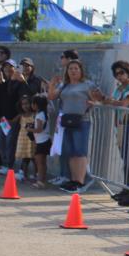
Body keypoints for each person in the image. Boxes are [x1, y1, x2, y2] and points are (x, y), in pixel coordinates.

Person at [47, 59, 99, 192]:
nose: (73, 71)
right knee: (71, 151)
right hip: (66, 120)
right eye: (70, 69)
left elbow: (97, 100)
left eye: (76, 68)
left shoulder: (88, 84)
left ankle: (80, 182)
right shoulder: (64, 85)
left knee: (80, 151)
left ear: (81, 70)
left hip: (82, 120)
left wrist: (93, 104)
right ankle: (73, 180)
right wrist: (52, 85)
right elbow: (51, 96)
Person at [100, 60, 129, 206]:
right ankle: (126, 188)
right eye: (116, 73)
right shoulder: (119, 88)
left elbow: (125, 104)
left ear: (128, 72)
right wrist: (107, 100)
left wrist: (108, 100)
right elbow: (113, 102)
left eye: (122, 72)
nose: (119, 76)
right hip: (119, 126)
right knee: (125, 159)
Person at [48, 50, 79, 186]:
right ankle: (63, 175)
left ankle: (68, 177)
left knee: (69, 148)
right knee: (61, 146)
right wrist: (51, 85)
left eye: (62, 57)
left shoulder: (80, 80)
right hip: (62, 117)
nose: (61, 60)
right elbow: (52, 96)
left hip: (73, 118)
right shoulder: (64, 80)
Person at [12, 94, 37, 182]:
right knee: (25, 157)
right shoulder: (20, 116)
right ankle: (24, 174)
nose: (25, 106)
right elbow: (12, 122)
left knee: (34, 158)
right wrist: (4, 121)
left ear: (31, 104)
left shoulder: (34, 115)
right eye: (23, 104)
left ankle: (36, 174)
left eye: (27, 103)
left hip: (32, 140)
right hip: (23, 140)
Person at [30, 95, 51, 189]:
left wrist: (29, 129)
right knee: (43, 162)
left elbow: (39, 129)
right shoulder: (44, 114)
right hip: (45, 140)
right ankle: (42, 180)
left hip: (41, 141)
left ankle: (40, 181)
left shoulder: (39, 115)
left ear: (36, 105)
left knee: (39, 163)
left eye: (33, 103)